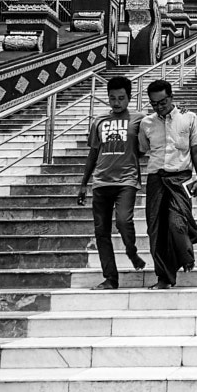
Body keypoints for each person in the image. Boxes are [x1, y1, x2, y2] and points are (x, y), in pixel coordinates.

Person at [138, 77, 197, 289]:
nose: (159, 107)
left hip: (181, 178)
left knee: (177, 223)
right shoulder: (146, 123)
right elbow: (142, 149)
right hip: (156, 179)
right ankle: (164, 278)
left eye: (163, 102)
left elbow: (196, 149)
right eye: (154, 104)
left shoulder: (189, 118)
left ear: (171, 97)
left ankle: (186, 255)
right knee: (156, 230)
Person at [76, 75, 146, 289]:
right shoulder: (99, 121)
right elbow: (93, 153)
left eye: (121, 98)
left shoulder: (139, 119)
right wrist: (83, 183)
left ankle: (131, 251)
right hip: (101, 181)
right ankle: (110, 278)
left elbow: (148, 144)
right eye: (112, 98)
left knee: (124, 221)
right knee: (101, 232)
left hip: (126, 180)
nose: (116, 103)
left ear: (130, 97)